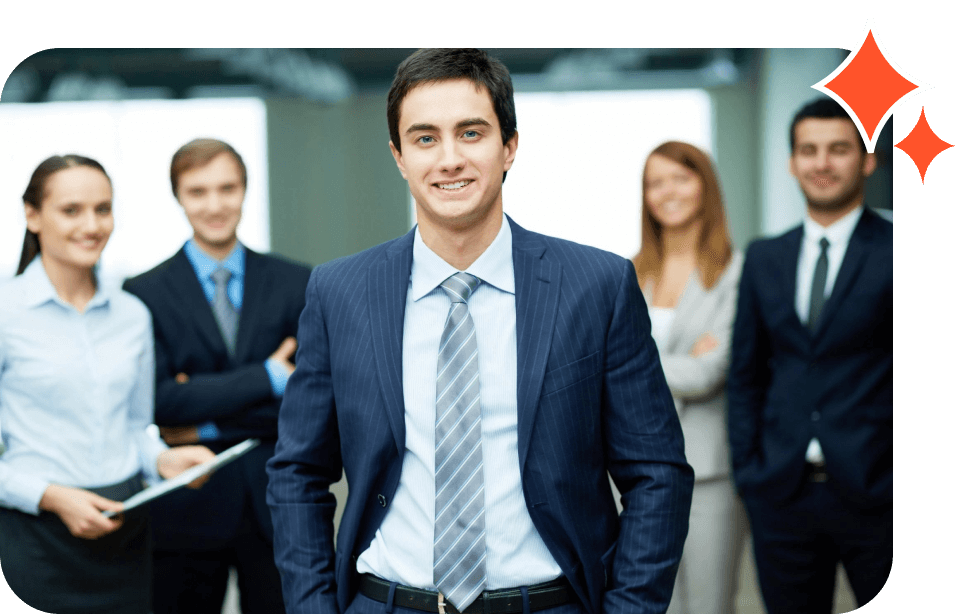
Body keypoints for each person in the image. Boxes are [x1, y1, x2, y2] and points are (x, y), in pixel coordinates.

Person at [267, 48, 694, 614]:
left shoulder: (597, 286)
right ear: (398, 156)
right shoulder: (340, 292)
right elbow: (297, 471)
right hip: (386, 603)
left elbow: (657, 473)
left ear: (509, 146)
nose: (449, 159)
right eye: (424, 139)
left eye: (471, 133)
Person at [0, 154, 215, 614]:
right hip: (36, 537)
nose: (92, 225)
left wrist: (163, 460)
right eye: (71, 210)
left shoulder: (131, 315)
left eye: (103, 208)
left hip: (126, 529)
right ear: (32, 215)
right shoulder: (6, 313)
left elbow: (135, 427)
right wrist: (52, 498)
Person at [123, 139, 312, 614]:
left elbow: (310, 401)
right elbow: (159, 401)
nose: (214, 205)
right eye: (198, 191)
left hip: (277, 505)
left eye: (227, 188)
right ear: (178, 196)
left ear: (245, 190)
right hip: (185, 506)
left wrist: (206, 421)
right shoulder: (143, 292)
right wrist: (270, 377)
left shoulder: (297, 282)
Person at [727, 97, 892, 614]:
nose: (822, 163)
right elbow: (746, 373)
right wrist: (749, 469)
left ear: (867, 160)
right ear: (792, 162)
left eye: (838, 149)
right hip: (781, 491)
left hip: (878, 491)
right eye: (809, 150)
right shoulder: (764, 257)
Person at [632, 142, 746, 614]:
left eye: (680, 178)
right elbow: (602, 367)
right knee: (649, 604)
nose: (668, 192)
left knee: (708, 605)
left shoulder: (736, 272)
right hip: (634, 469)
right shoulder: (630, 273)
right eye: (656, 182)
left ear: (705, 186)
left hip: (708, 471)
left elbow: (710, 373)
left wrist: (635, 362)